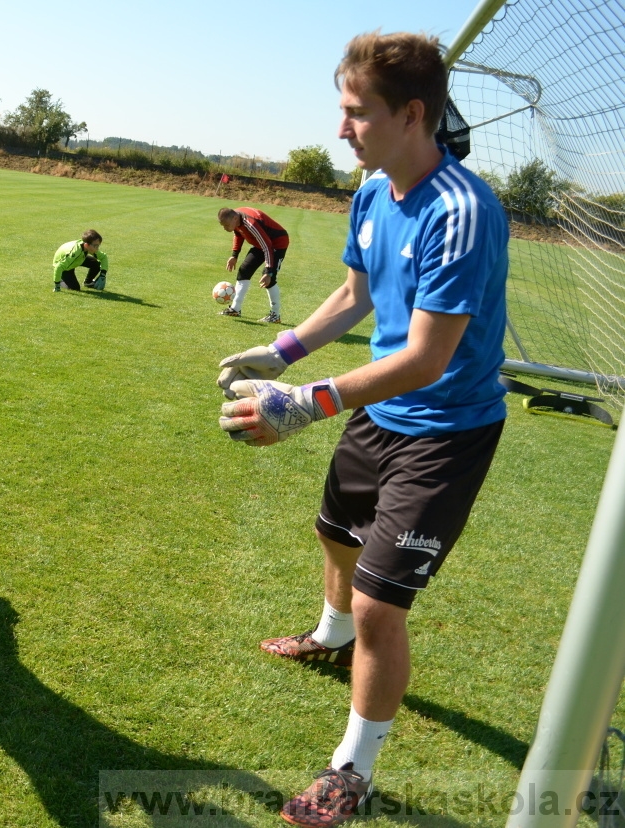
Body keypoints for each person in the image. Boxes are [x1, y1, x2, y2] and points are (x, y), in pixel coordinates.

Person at [216, 31, 509, 828]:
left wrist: (305, 402)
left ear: (412, 114)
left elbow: (425, 357)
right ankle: (328, 634)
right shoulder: (374, 192)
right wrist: (278, 351)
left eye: (356, 114)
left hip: (446, 428)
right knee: (336, 535)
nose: (341, 130)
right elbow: (354, 297)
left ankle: (354, 769)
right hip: (380, 410)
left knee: (384, 604)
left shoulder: (462, 211)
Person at [216, 206, 288, 322]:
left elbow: (268, 246)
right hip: (262, 244)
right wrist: (234, 255)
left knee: (269, 279)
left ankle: (275, 315)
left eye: (226, 225)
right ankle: (235, 309)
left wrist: (269, 271)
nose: (224, 228)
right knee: (244, 271)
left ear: (234, 218)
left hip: (277, 244)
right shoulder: (236, 218)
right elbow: (238, 234)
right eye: (223, 226)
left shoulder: (251, 223)